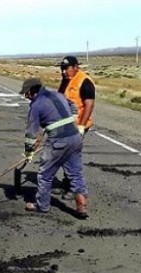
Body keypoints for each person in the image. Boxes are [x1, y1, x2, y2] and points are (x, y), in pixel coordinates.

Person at [20, 77, 88, 219]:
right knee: (75, 174)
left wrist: (28, 151)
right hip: (75, 137)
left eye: (26, 93)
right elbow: (74, 107)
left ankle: (42, 205)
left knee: (45, 175)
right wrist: (68, 121)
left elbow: (31, 132)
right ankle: (81, 206)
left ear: (33, 91)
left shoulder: (36, 105)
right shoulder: (58, 94)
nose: (26, 96)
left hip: (58, 141)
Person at [56, 55, 95, 196]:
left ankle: (76, 189)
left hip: (79, 125)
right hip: (65, 125)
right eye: (62, 69)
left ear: (75, 67)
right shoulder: (66, 80)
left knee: (70, 155)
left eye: (66, 69)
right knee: (63, 155)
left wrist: (81, 127)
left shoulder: (84, 81)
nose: (63, 72)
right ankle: (68, 184)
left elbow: (89, 104)